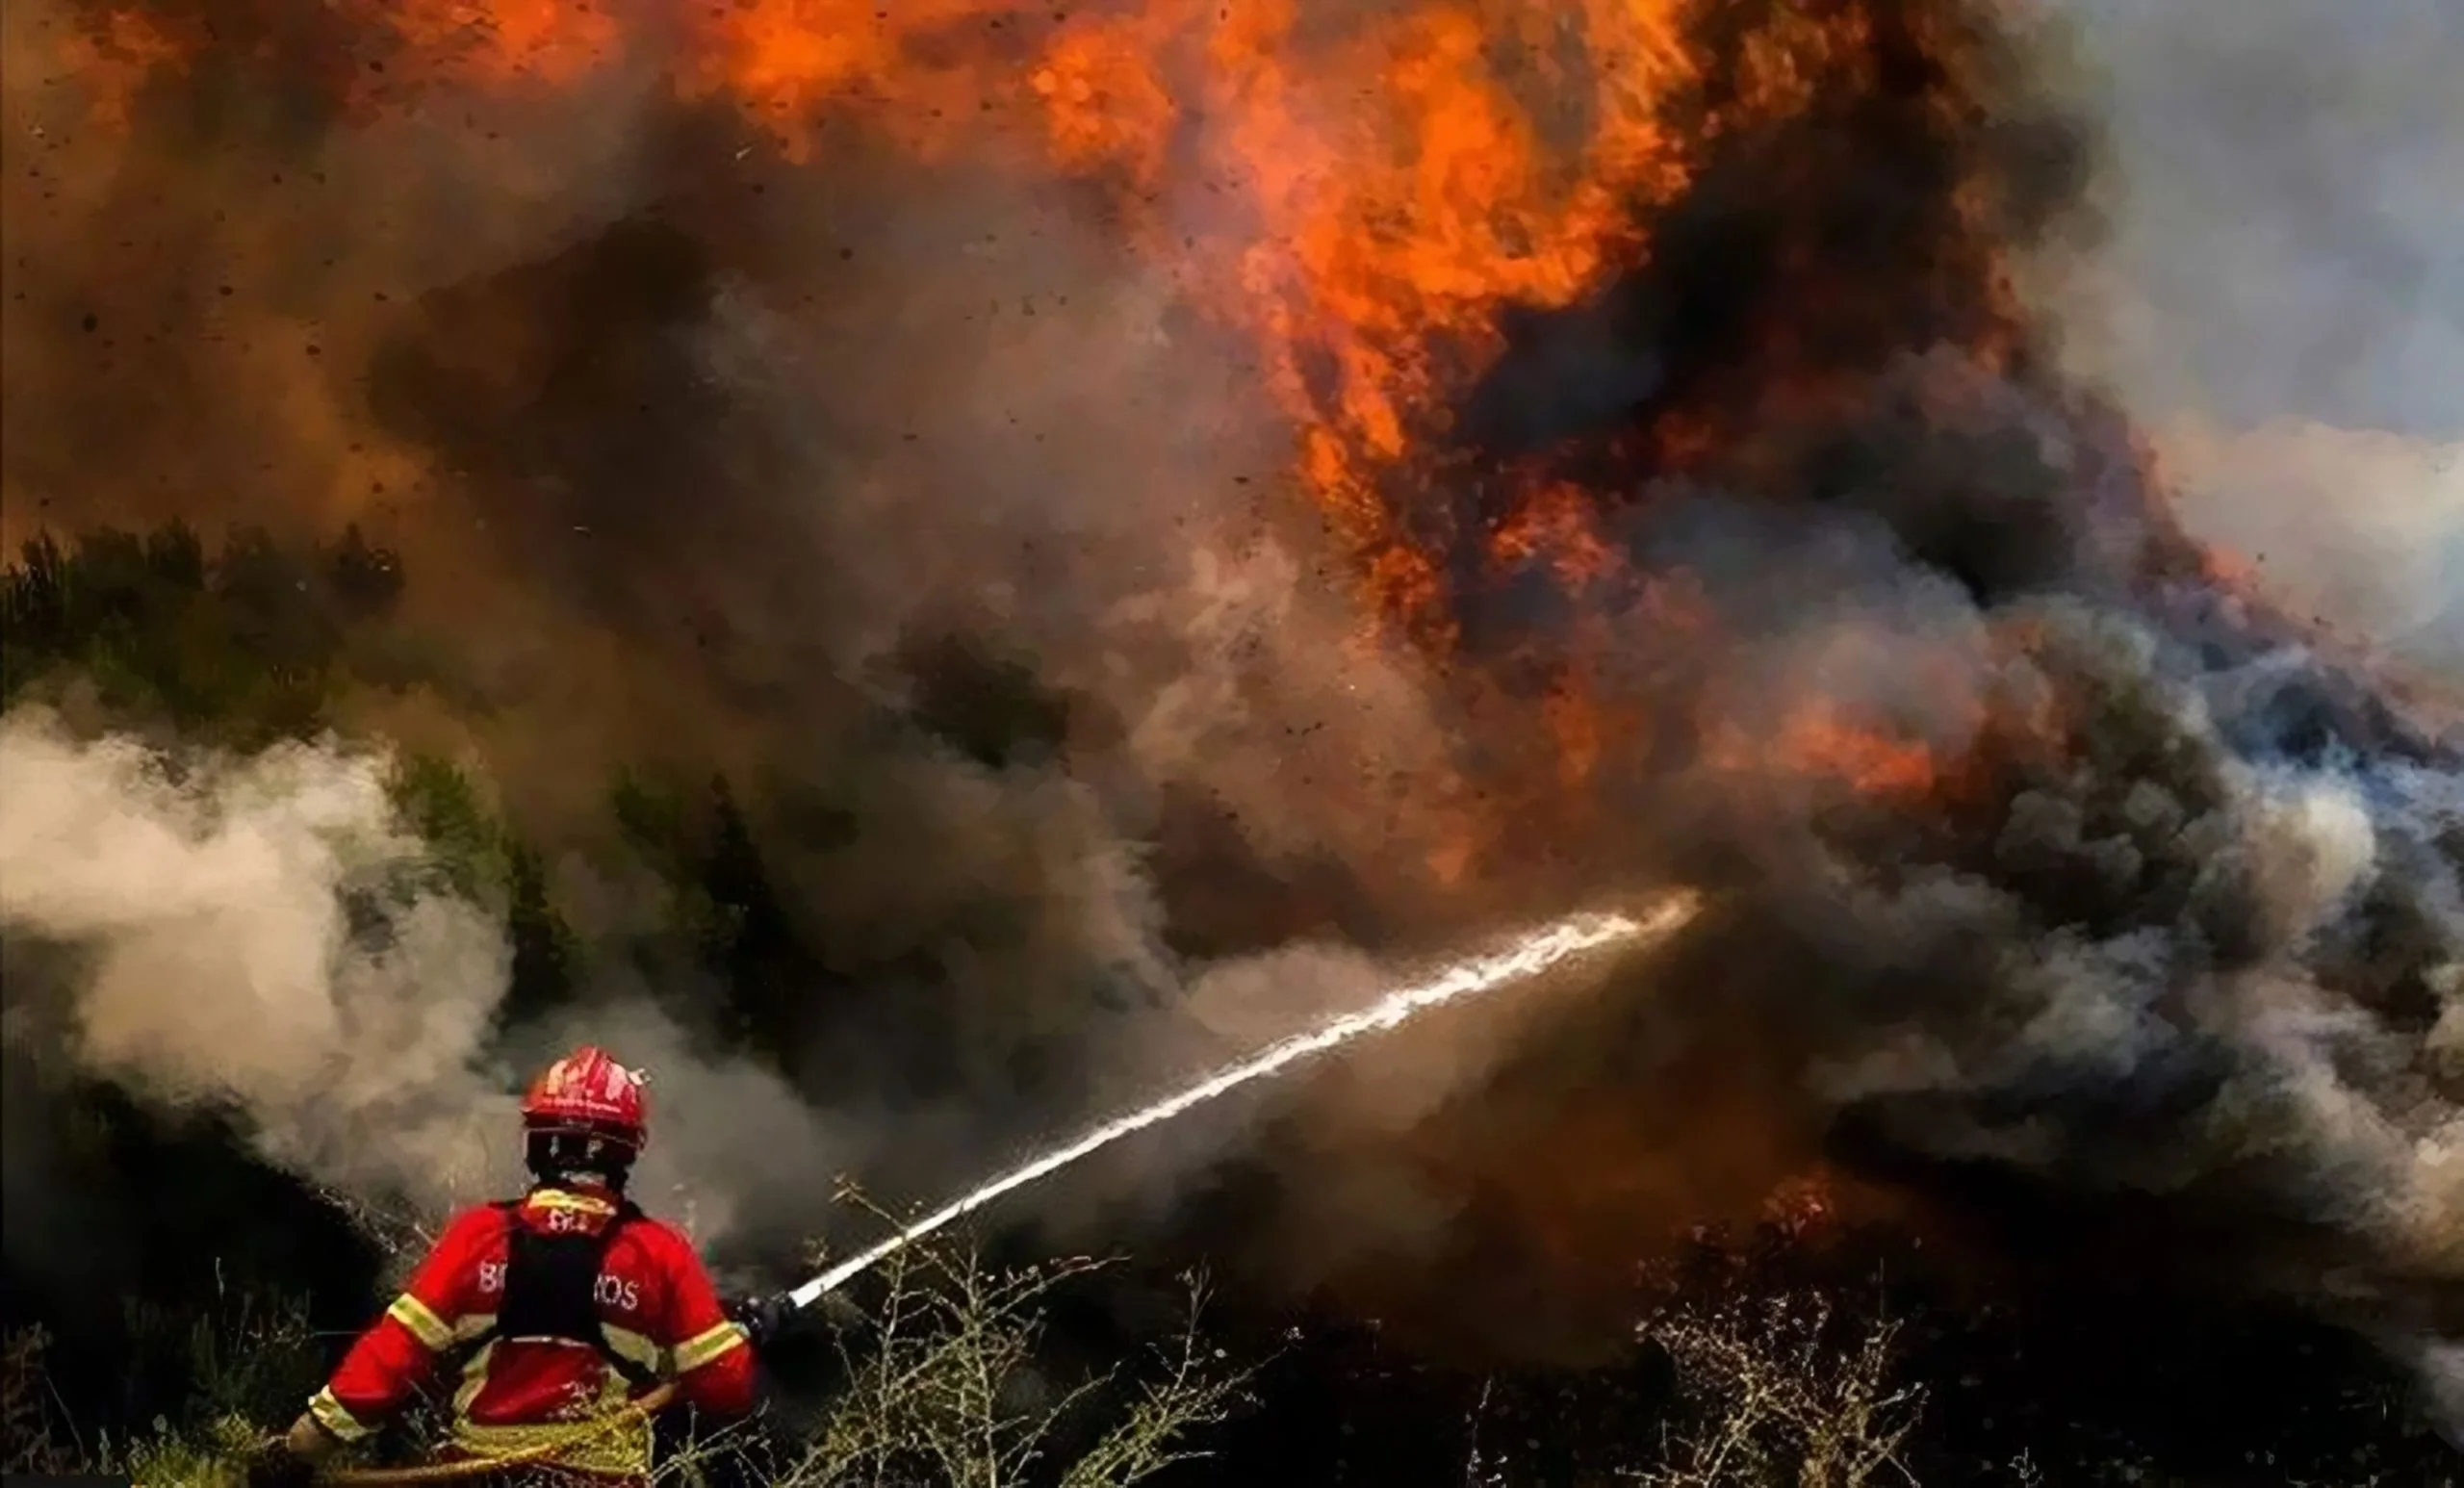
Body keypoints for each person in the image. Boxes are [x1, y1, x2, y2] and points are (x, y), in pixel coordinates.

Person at [250, 1047, 763, 1486]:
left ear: (536, 1141)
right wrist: (739, 1338)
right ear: (627, 1151)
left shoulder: (478, 1237)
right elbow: (727, 1388)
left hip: (481, 1477)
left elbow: (391, 1357)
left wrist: (301, 1447)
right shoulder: (658, 1252)